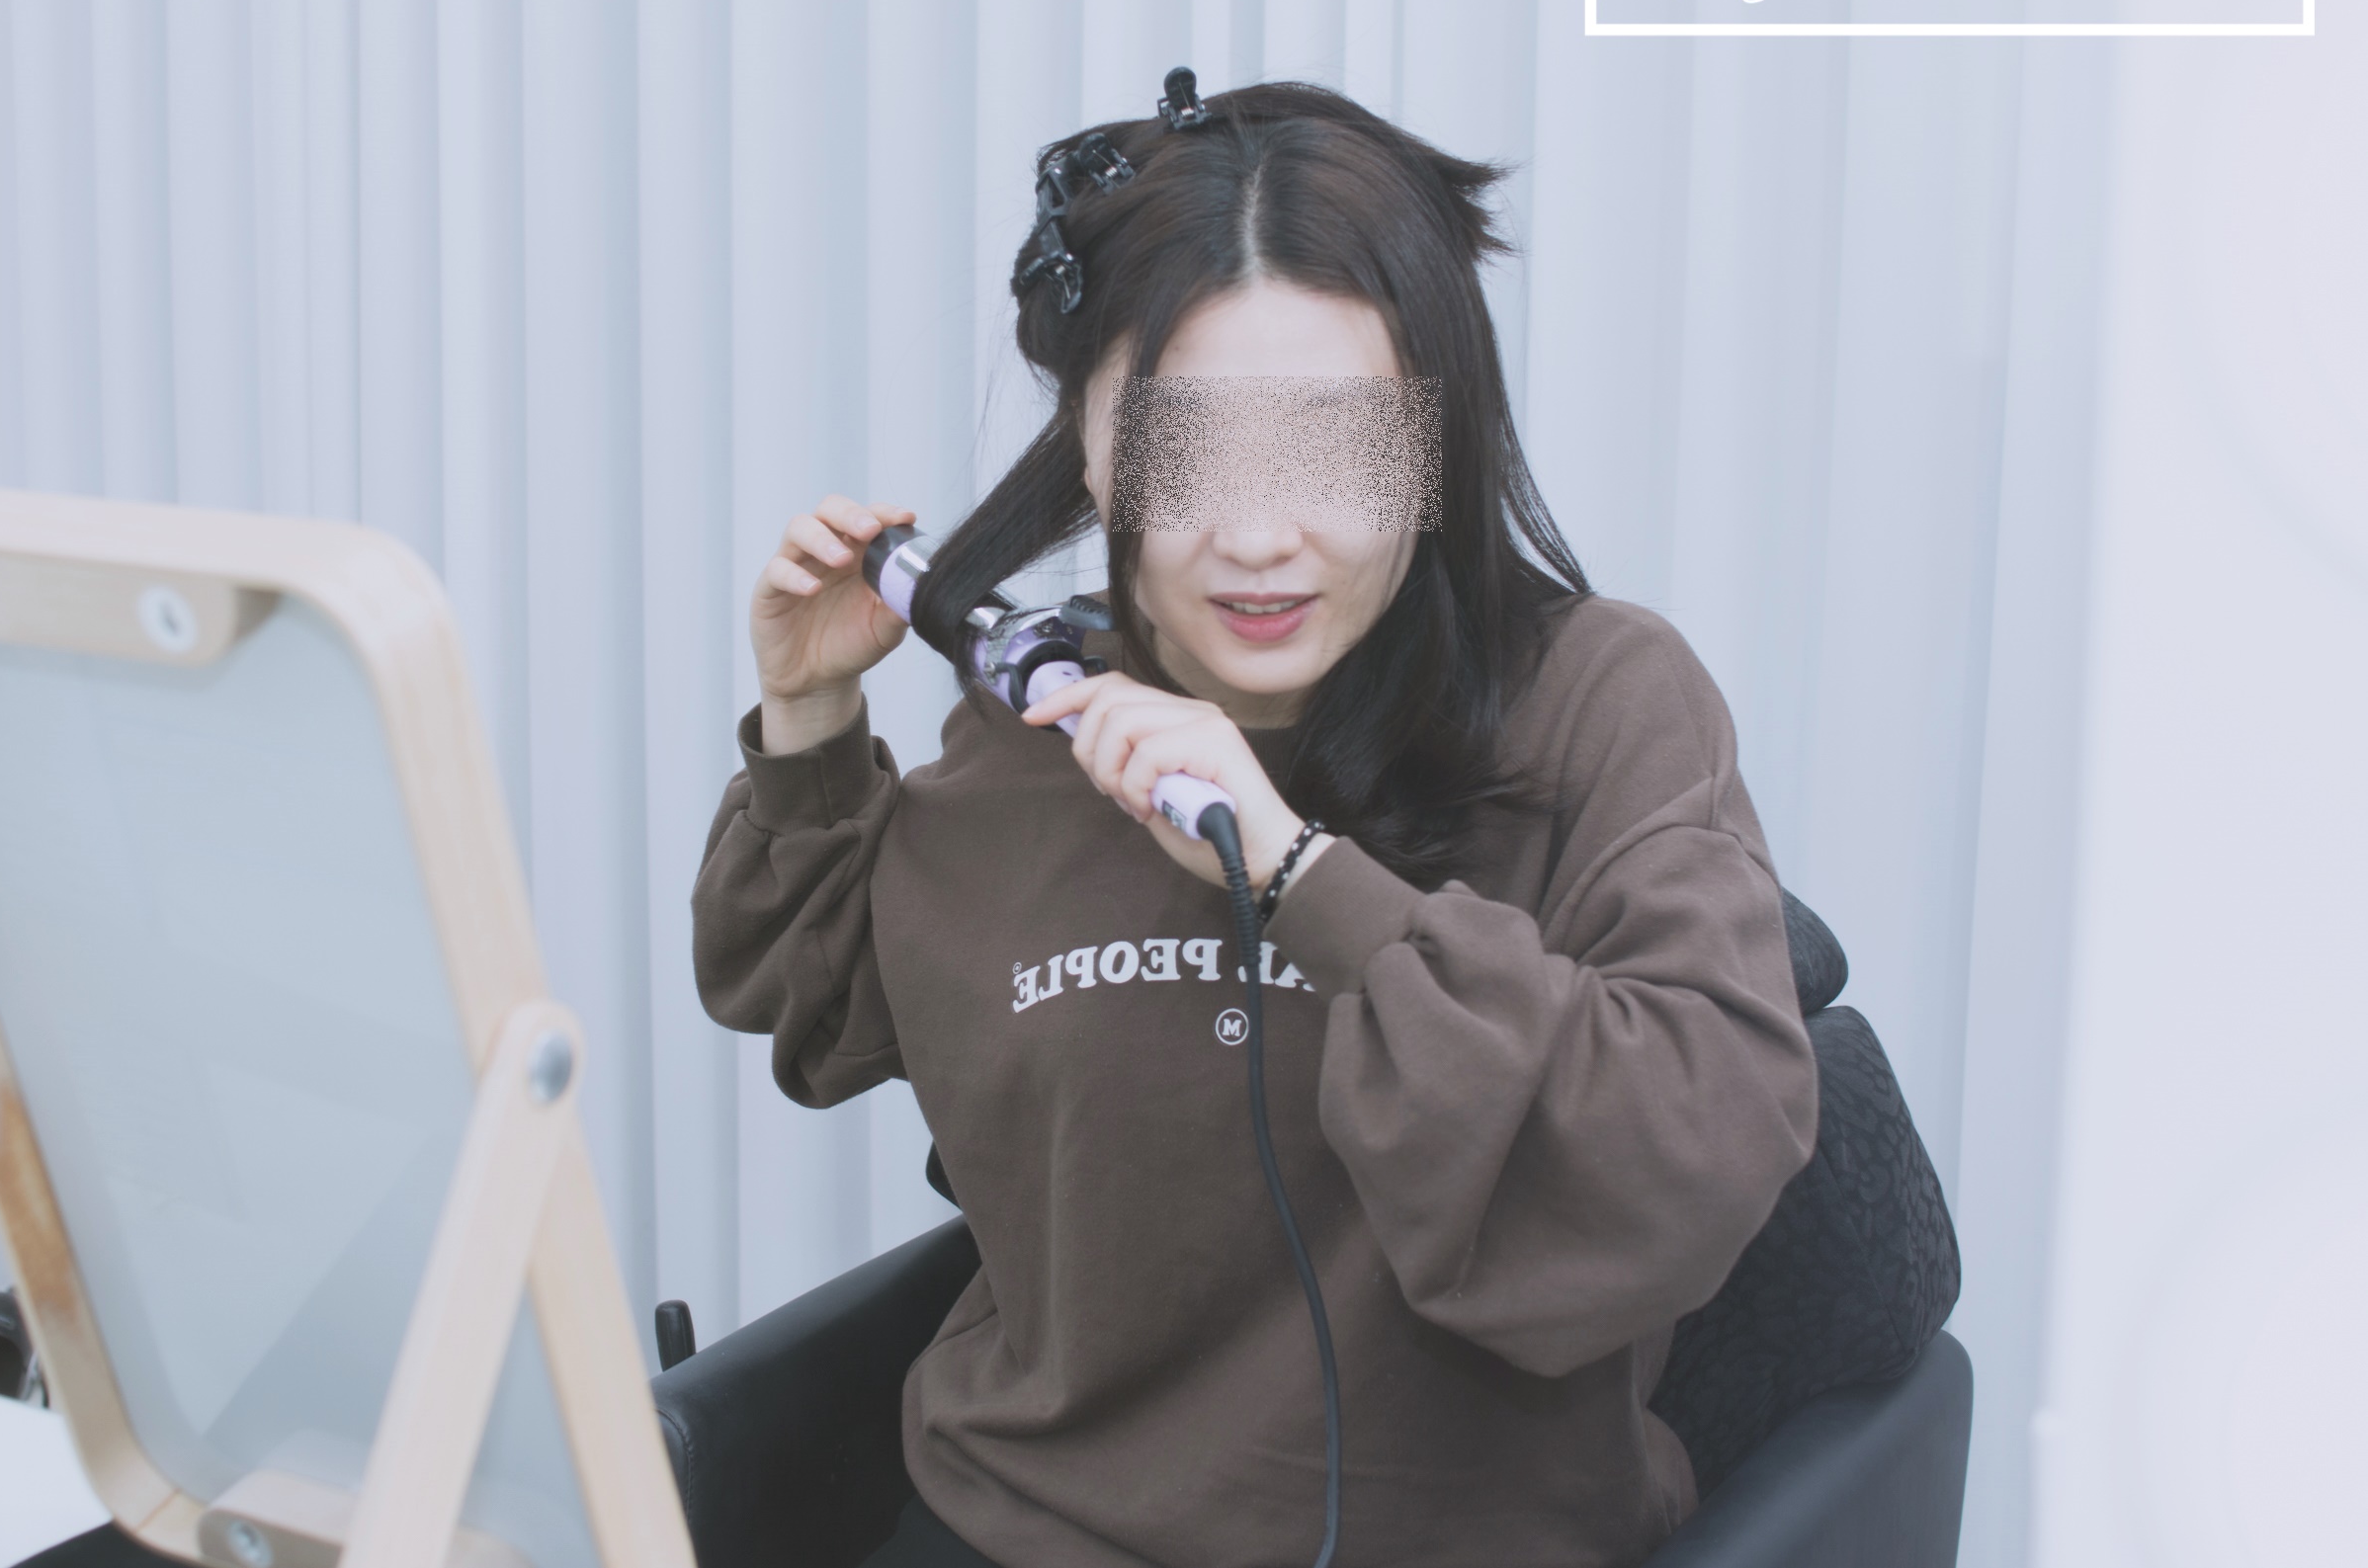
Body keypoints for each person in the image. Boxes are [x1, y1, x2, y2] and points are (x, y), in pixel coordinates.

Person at [693, 78, 1818, 1568]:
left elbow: (1688, 1155)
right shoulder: (1047, 718)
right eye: (1182, 454)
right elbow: (821, 1017)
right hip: (1007, 1525)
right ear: (1090, 449)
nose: (1257, 534)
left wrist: (1299, 876)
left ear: (1433, 442)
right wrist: (809, 718)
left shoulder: (1601, 703)